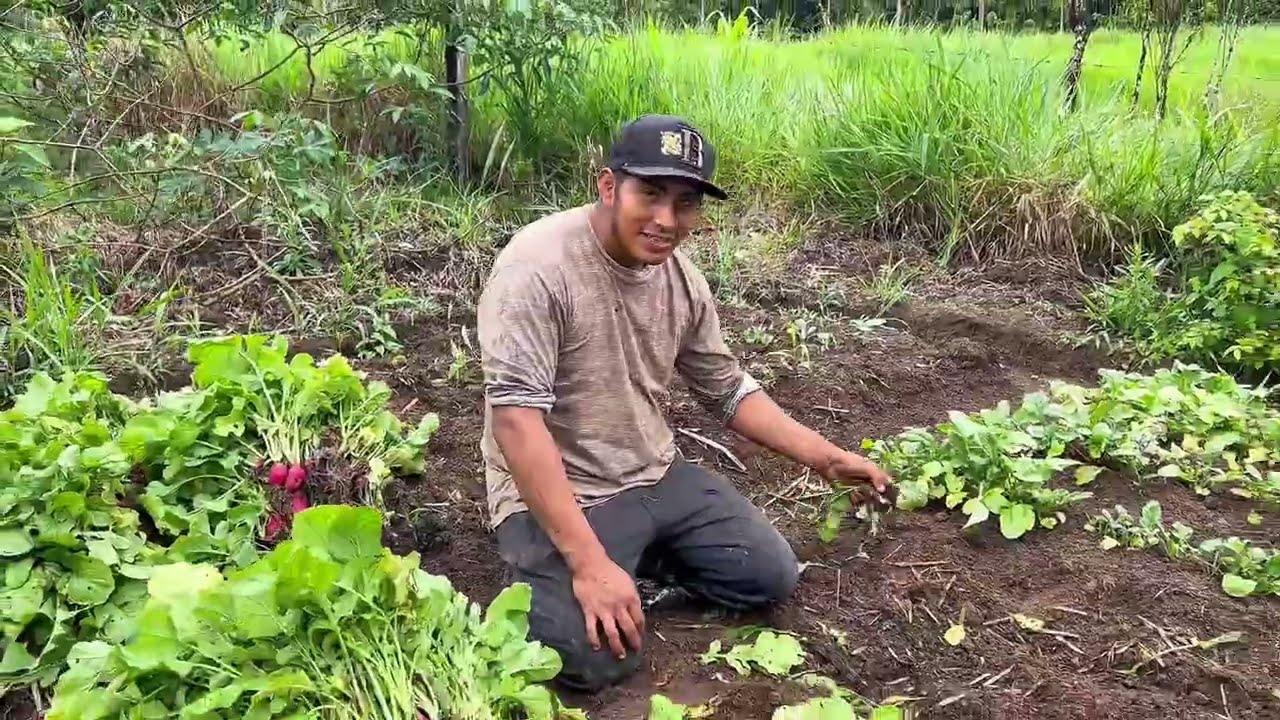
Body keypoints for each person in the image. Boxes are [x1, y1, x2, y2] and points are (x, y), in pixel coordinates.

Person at [476, 114, 893, 693]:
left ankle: (632, 561)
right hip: (561, 490)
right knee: (593, 660)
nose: (666, 220)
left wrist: (825, 459)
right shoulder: (537, 270)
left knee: (768, 575)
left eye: (686, 202)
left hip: (651, 472)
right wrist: (591, 565)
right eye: (650, 194)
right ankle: (568, 569)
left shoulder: (681, 280)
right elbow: (517, 424)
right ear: (607, 186)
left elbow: (726, 389)